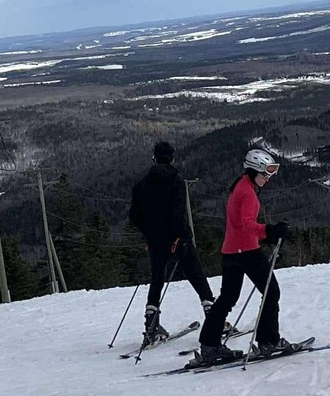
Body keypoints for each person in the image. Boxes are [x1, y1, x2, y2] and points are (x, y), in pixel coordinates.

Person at [196, 144, 300, 364]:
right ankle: (268, 341)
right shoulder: (248, 193)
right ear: (253, 171)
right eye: (265, 174)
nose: (267, 179)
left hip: (231, 251)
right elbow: (246, 224)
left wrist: (267, 234)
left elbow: (240, 224)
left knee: (227, 298)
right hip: (246, 251)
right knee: (271, 291)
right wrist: (269, 231)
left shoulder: (240, 186)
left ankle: (209, 345)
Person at [127, 140, 215, 345]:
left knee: (157, 279)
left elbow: (134, 217)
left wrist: (148, 233)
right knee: (197, 276)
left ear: (154, 158)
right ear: (172, 158)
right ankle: (214, 319)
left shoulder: (141, 185)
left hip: (155, 240)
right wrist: (182, 235)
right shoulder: (176, 180)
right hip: (178, 238)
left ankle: (151, 326)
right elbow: (178, 212)